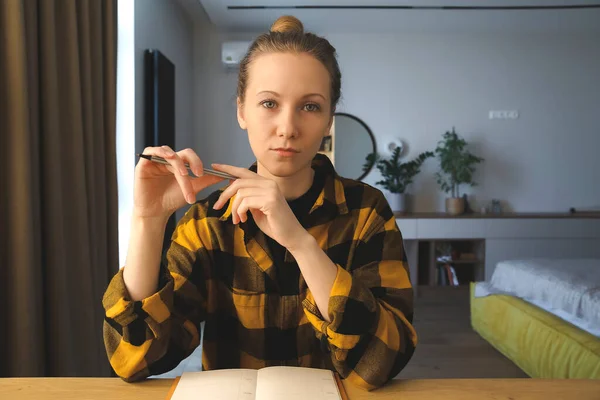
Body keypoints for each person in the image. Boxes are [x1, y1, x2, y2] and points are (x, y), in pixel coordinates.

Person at [102, 15, 417, 390]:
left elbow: (384, 361)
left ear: (330, 119)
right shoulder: (208, 222)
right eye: (269, 103)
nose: (287, 127)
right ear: (241, 111)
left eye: (311, 107)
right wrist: (147, 220)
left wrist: (300, 243)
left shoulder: (366, 212)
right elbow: (133, 359)